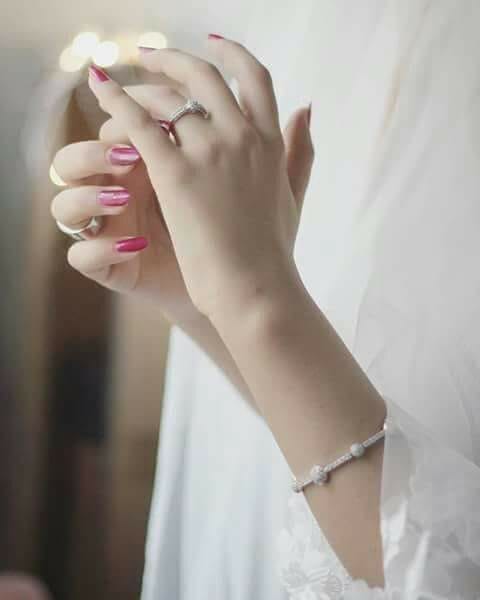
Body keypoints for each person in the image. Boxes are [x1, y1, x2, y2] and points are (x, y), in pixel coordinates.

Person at [50, 2, 480, 597]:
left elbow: (448, 572)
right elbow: (353, 429)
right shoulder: (313, 31)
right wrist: (202, 304)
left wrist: (255, 299)